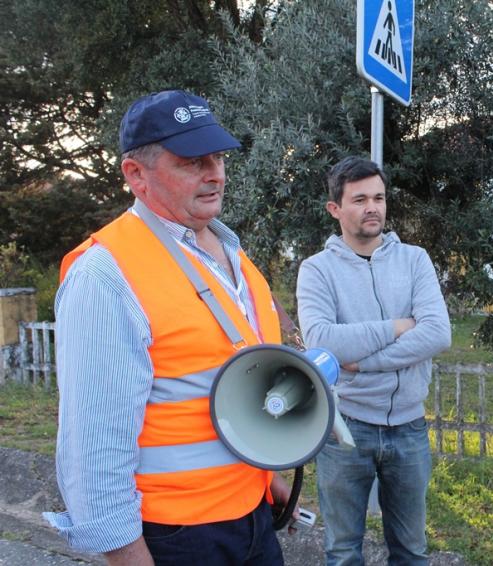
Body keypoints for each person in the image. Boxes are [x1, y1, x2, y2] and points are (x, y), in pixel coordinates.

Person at [43, 90, 294, 566]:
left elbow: (218, 387)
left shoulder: (232, 256)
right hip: (175, 536)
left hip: (253, 518)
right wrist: (127, 555)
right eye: (192, 161)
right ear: (136, 176)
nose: (215, 173)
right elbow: (93, 446)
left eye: (218, 156)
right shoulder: (105, 276)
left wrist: (268, 479)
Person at [296, 156, 451, 565]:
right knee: (344, 551)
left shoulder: (415, 259)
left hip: (409, 427)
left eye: (379, 198)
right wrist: (399, 325)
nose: (373, 208)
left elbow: (438, 333)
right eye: (360, 199)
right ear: (335, 209)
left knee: (412, 552)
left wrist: (363, 363)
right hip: (345, 428)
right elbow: (323, 340)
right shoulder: (316, 270)